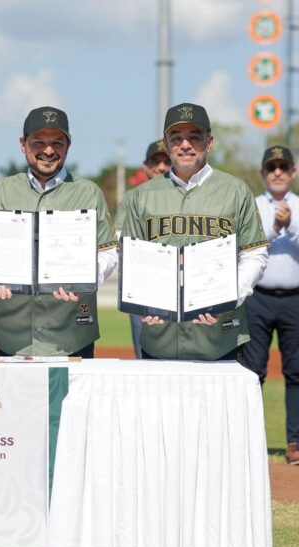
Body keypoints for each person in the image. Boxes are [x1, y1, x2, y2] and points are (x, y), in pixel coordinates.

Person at [121, 103, 268, 360]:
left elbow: (254, 255)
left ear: (209, 142)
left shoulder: (236, 190)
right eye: (177, 138)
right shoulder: (141, 197)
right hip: (160, 338)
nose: (185, 145)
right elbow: (131, 259)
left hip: (221, 338)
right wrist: (144, 300)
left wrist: (230, 297)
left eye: (195, 137)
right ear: (166, 145)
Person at [0, 106, 118, 357]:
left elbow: (108, 252)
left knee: (72, 398)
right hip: (13, 334)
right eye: (38, 142)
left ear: (68, 146)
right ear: (23, 144)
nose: (48, 150)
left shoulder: (88, 192)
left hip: (72, 335)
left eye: (57, 142)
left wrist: (83, 279)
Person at [238, 146, 299, 465]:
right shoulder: (254, 206)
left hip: (294, 300)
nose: (277, 172)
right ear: (263, 174)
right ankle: (250, 439)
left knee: (296, 372)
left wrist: (291, 225)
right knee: (253, 371)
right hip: (258, 298)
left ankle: (295, 442)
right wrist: (276, 228)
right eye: (271, 167)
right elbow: (248, 243)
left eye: (283, 167)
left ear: (293, 173)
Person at [117, 140, 172, 358]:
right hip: (143, 289)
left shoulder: (185, 195)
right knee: (145, 360)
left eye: (166, 161)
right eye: (155, 162)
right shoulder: (133, 197)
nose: (161, 167)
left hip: (179, 288)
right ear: (145, 166)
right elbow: (120, 240)